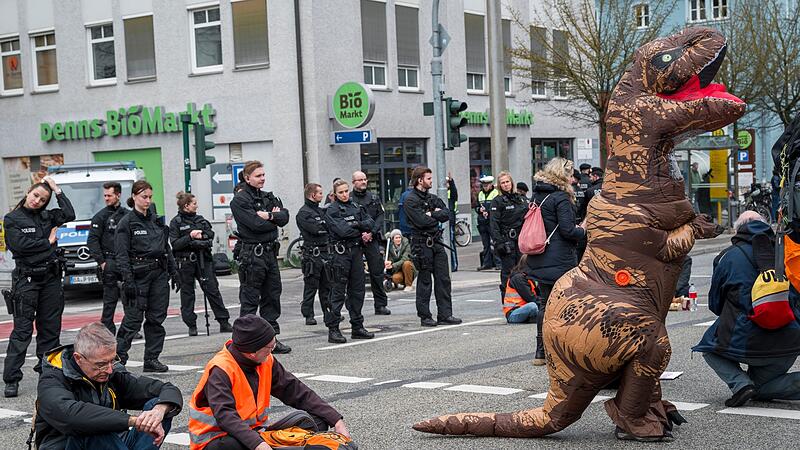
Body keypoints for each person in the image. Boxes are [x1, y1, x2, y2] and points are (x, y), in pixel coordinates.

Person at [188, 315, 354, 450]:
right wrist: (258, 444)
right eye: (270, 347)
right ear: (252, 353)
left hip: (256, 432)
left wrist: (335, 420)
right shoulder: (221, 369)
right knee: (234, 446)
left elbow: (296, 390)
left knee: (317, 422)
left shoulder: (265, 360)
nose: (272, 350)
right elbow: (226, 416)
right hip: (216, 439)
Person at [693, 211, 800, 407]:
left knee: (709, 348)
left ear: (738, 230)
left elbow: (715, 304)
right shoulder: (785, 252)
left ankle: (741, 384)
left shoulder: (728, 256)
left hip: (745, 341)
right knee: (762, 387)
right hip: (789, 341)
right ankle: (753, 386)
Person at [35, 322, 183, 449]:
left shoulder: (112, 374)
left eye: (112, 360)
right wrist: (133, 420)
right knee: (93, 426)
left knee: (158, 404)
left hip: (112, 442)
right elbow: (71, 416)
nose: (110, 369)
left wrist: (159, 410)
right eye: (101, 364)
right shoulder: (52, 380)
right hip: (67, 444)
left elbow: (167, 389)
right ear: (78, 358)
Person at [2, 176, 75, 398]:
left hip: (50, 279)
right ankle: (12, 379)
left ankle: (48, 374)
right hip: (27, 281)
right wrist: (48, 242)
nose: (37, 201)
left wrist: (56, 189)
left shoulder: (48, 216)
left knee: (50, 330)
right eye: (35, 195)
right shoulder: (12, 218)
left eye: (43, 199)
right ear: (28, 193)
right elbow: (20, 247)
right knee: (22, 331)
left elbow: (70, 214)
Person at [115, 180, 179, 372]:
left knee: (156, 319)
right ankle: (117, 360)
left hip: (159, 274)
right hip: (138, 276)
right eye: (144, 197)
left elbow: (166, 247)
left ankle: (151, 359)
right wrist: (127, 280)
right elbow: (121, 254)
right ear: (134, 196)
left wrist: (174, 271)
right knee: (132, 321)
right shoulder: (126, 223)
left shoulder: (155, 220)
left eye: (150, 197)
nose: (148, 201)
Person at [528, 158, 586, 365]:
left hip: (539, 255)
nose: (573, 179)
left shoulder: (537, 194)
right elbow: (568, 230)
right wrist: (583, 230)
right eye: (570, 175)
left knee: (544, 304)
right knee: (566, 304)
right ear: (563, 175)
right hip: (560, 259)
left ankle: (541, 352)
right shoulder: (561, 197)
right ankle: (563, 349)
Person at [230, 161, 291, 354]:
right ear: (247, 178)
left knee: (272, 296)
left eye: (263, 175)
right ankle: (245, 344)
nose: (262, 178)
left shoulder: (268, 196)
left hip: (270, 254)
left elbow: (285, 217)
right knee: (250, 300)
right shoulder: (240, 200)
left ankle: (270, 341)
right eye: (258, 176)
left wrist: (269, 216)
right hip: (252, 255)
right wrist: (272, 219)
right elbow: (256, 225)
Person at [404, 166, 462, 327]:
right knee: (425, 281)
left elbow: (447, 214)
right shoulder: (410, 200)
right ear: (419, 180)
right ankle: (425, 316)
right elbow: (421, 221)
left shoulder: (432, 198)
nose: (431, 181)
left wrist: (432, 214)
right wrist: (434, 216)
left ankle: (445, 314)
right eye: (428, 178)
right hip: (421, 244)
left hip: (436, 242)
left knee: (443, 279)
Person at [169, 192, 232, 336]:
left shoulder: (200, 220)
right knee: (187, 294)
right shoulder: (176, 222)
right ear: (186, 206)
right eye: (194, 203)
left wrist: (201, 237)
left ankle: (224, 321)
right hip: (185, 262)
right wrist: (190, 237)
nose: (196, 206)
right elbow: (175, 244)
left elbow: (210, 234)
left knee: (212, 290)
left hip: (203, 259)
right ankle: (191, 325)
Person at [324, 179, 376, 344]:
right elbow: (343, 231)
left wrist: (356, 224)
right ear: (335, 194)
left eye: (346, 191)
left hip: (356, 252)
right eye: (341, 192)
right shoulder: (331, 210)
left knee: (358, 291)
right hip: (340, 255)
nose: (345, 195)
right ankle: (333, 329)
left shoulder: (355, 206)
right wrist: (359, 227)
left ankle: (357, 326)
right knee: (338, 292)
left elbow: (370, 223)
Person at [87, 182, 130, 336]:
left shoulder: (127, 215)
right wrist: (102, 262)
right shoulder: (100, 217)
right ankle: (107, 331)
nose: (106, 198)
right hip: (109, 261)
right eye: (104, 195)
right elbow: (92, 240)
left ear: (118, 195)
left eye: (109, 195)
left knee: (129, 296)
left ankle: (129, 328)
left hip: (126, 261)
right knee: (109, 300)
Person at [351, 171, 391, 315]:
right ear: (353, 182)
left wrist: (371, 233)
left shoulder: (373, 197)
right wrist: (361, 234)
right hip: (356, 239)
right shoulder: (349, 198)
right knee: (355, 275)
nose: (363, 182)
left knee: (377, 272)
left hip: (372, 238)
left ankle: (380, 305)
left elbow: (380, 216)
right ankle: (354, 308)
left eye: (365, 179)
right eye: (360, 180)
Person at [296, 183, 332, 326]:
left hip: (325, 252)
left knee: (326, 285)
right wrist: (325, 227)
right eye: (320, 193)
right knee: (311, 286)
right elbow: (316, 230)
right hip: (312, 254)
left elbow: (329, 226)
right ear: (313, 195)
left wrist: (326, 227)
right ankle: (308, 314)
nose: (322, 195)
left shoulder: (320, 211)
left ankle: (328, 313)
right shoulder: (304, 213)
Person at [490, 171, 529, 300]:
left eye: (507, 182)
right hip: (507, 241)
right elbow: (494, 224)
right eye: (503, 183)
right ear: (499, 185)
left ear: (512, 183)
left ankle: (523, 298)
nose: (506, 185)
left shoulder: (520, 199)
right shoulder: (497, 201)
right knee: (508, 272)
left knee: (523, 270)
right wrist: (499, 242)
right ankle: (507, 300)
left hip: (521, 241)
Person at [502, 255, 540, 324]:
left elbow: (537, 295)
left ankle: (535, 317)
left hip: (521, 310)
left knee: (536, 306)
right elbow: (530, 298)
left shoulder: (528, 277)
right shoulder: (518, 278)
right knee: (533, 306)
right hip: (513, 313)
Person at [476, 175, 499, 270]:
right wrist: (479, 210)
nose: (485, 186)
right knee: (486, 245)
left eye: (487, 185)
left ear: (491, 184)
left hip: (491, 222)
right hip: (482, 222)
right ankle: (487, 263)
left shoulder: (495, 193)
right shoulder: (480, 194)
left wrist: (489, 212)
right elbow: (476, 206)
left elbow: (497, 207)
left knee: (496, 242)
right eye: (484, 185)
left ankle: (498, 263)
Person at [446, 173, 459, 271]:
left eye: (447, 183)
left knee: (451, 243)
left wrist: (451, 181)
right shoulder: (443, 193)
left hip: (450, 221)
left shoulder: (451, 193)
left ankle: (454, 265)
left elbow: (454, 192)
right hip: (445, 221)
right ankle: (450, 264)